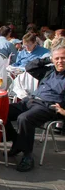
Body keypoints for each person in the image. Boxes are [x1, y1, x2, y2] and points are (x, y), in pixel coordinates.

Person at [6, 40, 65, 172]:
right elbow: (30, 67)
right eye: (57, 58)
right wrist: (47, 60)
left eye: (63, 58)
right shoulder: (48, 71)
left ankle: (27, 156)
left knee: (24, 118)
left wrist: (62, 110)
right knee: (1, 111)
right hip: (30, 101)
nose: (60, 61)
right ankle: (17, 141)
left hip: (48, 106)